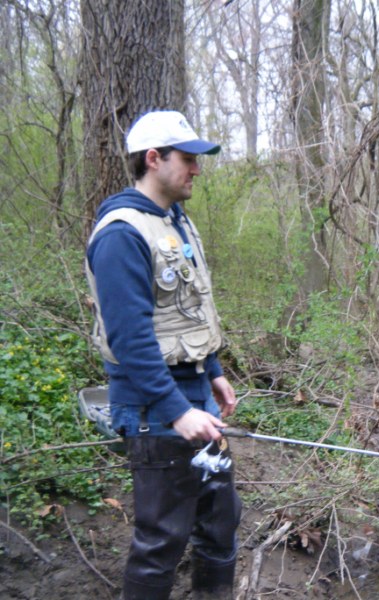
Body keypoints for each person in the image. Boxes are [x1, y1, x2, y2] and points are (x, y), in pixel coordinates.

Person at [85, 110, 240, 600]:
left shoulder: (176, 221)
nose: (197, 169)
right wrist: (176, 411)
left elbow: (189, 307)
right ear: (154, 159)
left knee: (219, 524)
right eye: (188, 159)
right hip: (155, 406)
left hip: (196, 392)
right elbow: (131, 340)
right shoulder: (121, 233)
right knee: (162, 540)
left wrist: (212, 371)